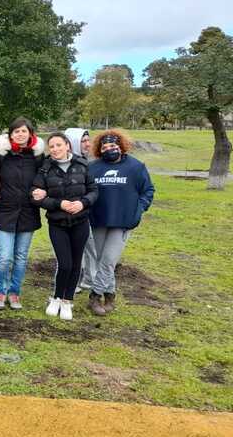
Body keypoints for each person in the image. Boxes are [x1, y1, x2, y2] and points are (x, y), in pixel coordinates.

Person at [32, 132, 98, 321]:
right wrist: (57, 204)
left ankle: (67, 301)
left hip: (80, 222)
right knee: (65, 263)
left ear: (67, 146)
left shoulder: (82, 165)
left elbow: (93, 190)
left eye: (58, 145)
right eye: (51, 146)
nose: (55, 149)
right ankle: (56, 297)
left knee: (76, 263)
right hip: (57, 223)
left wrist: (83, 203)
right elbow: (35, 196)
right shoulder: (45, 168)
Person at [87, 130, 155, 316]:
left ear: (121, 145)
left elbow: (147, 190)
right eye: (105, 147)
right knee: (102, 260)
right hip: (99, 220)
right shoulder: (93, 168)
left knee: (109, 260)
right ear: (100, 149)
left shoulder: (135, 167)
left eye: (113, 145)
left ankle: (95, 296)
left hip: (123, 222)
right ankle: (110, 294)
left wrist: (139, 209)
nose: (110, 149)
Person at [0, 117, 45, 310]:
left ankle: (14, 292)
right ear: (10, 134)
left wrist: (43, 191)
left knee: (21, 256)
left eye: (24, 131)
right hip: (5, 210)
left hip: (28, 213)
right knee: (4, 256)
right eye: (16, 131)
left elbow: (45, 179)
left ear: (30, 133)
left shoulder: (38, 157)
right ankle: (0, 291)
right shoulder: (0, 155)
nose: (20, 135)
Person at [64, 127, 96, 292]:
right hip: (71, 215)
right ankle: (78, 280)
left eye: (88, 140)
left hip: (87, 211)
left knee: (90, 246)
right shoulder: (66, 164)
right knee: (79, 247)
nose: (87, 144)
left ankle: (88, 279)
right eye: (83, 141)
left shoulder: (87, 162)